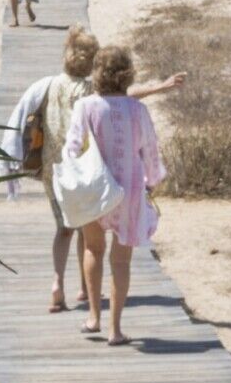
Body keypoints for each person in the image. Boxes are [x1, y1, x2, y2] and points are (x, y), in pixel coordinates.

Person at [64, 46, 165, 347]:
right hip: (129, 189)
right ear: (128, 74)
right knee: (121, 262)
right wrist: (154, 179)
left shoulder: (85, 106)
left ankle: (93, 316)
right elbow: (150, 149)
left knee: (93, 249)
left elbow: (71, 147)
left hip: (94, 188)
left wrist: (74, 178)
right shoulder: (137, 109)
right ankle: (115, 329)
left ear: (97, 73)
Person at [9, 28, 100, 309]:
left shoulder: (49, 85)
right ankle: (85, 287)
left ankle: (57, 283)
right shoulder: (90, 91)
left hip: (53, 168)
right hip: (82, 169)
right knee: (86, 228)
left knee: (63, 229)